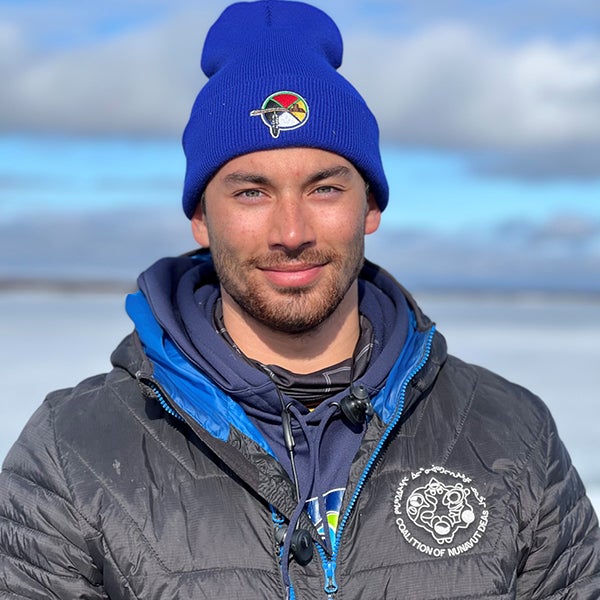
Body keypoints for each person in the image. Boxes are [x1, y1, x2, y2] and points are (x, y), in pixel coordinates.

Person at [1, 1, 599, 598]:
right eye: (252, 192)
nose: (292, 233)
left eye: (325, 188)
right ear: (202, 219)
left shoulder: (511, 436)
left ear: (369, 207)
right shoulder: (74, 449)